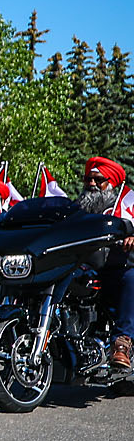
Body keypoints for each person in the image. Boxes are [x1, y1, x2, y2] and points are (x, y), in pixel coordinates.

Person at [80, 158, 134, 368]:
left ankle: (123, 342)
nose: (91, 184)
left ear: (112, 183)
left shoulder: (129, 203)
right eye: (88, 179)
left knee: (131, 280)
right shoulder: (80, 208)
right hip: (85, 267)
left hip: (119, 266)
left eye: (98, 180)